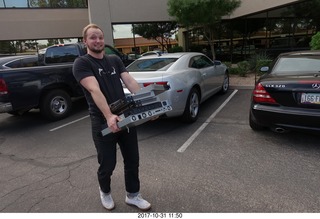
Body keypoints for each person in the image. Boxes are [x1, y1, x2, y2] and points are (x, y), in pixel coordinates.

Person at [72, 23, 151, 211]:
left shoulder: (114, 60)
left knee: (132, 159)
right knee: (107, 163)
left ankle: (133, 195)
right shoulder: (82, 63)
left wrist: (147, 105)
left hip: (126, 117)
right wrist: (109, 115)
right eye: (92, 37)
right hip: (102, 121)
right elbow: (94, 89)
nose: (97, 40)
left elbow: (130, 81)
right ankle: (105, 191)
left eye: (100, 37)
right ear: (85, 42)